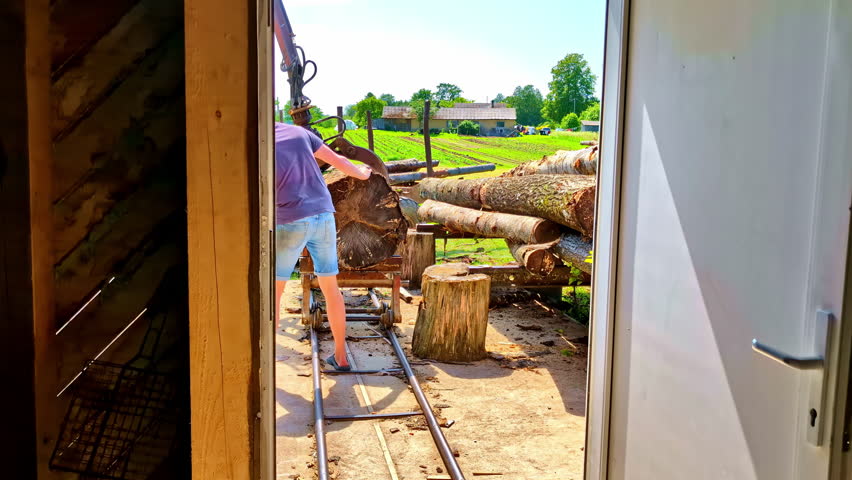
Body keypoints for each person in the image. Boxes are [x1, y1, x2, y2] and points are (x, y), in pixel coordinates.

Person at [274, 122, 371, 371]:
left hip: (290, 219)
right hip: (323, 215)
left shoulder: (258, 142)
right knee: (331, 289)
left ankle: (269, 358)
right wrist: (363, 174)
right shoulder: (300, 132)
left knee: (274, 291)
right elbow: (338, 160)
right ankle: (341, 357)